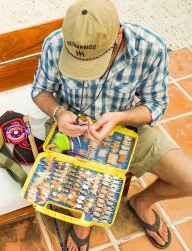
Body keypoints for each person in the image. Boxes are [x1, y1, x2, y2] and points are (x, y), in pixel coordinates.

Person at [31, 0, 192, 250]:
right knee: (76, 184)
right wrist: (59, 112)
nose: (88, 73)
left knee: (188, 179)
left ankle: (142, 202)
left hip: (126, 129)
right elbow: (41, 91)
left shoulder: (151, 48)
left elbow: (156, 105)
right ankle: (82, 222)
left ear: (119, 33)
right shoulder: (55, 43)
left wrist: (119, 117)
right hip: (71, 130)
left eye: (96, 61)